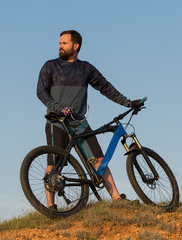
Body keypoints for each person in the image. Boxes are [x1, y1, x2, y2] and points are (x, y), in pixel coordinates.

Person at [37, 30, 139, 209]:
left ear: (75, 46)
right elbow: (41, 92)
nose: (60, 46)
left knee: (99, 160)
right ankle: (51, 206)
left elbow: (106, 88)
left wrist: (127, 102)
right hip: (57, 122)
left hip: (79, 122)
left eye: (64, 43)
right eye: (59, 43)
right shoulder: (50, 66)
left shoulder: (86, 68)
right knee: (53, 165)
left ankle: (117, 199)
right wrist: (58, 108)